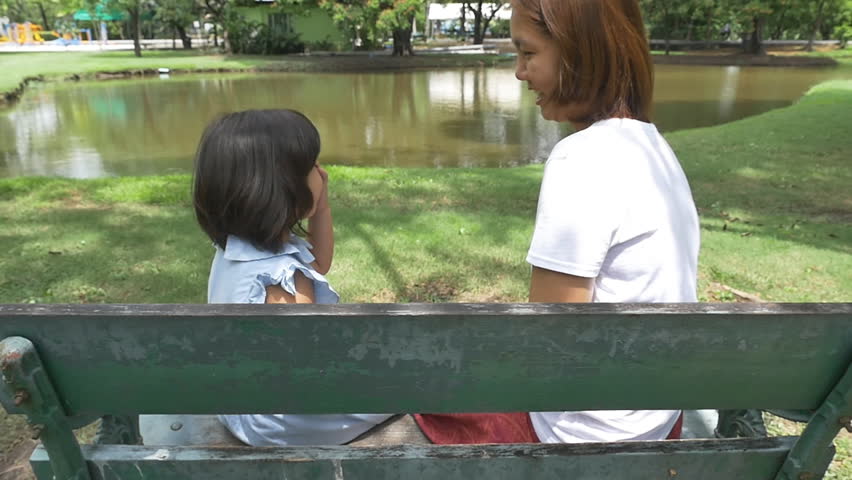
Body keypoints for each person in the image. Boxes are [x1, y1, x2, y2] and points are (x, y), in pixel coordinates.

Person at [418, 0, 699, 445]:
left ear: (580, 52)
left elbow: (550, 337)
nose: (518, 71)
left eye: (528, 53)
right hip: (658, 417)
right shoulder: (655, 149)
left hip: (586, 434)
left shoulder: (582, 158)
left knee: (423, 374)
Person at [192, 109, 394, 446]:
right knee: (407, 381)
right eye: (313, 166)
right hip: (280, 421)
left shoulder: (236, 248)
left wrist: (322, 205)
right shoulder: (283, 279)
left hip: (235, 400)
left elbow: (321, 261)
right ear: (283, 187)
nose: (322, 171)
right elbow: (305, 373)